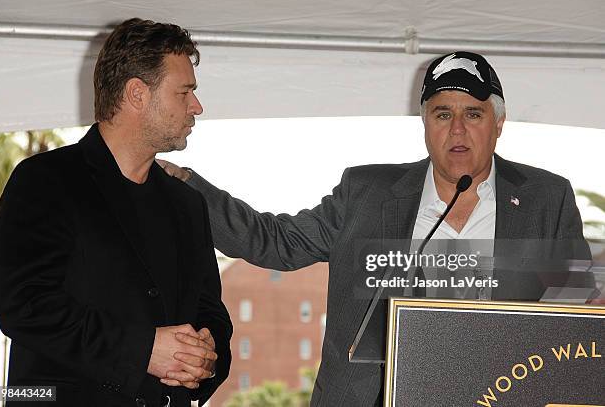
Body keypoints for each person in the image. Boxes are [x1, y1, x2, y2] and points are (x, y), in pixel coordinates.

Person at [158, 51, 590, 406]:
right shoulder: (366, 193)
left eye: (473, 114)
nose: (457, 129)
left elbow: (578, 321)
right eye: (442, 114)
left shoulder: (546, 200)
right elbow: (275, 242)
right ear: (424, 123)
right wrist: (186, 189)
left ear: (498, 123)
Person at [0, 18, 232, 407]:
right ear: (138, 93)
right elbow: (24, 304)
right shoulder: (45, 181)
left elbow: (212, 314)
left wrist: (204, 357)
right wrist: (142, 351)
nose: (197, 106)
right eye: (184, 92)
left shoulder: (188, 205)